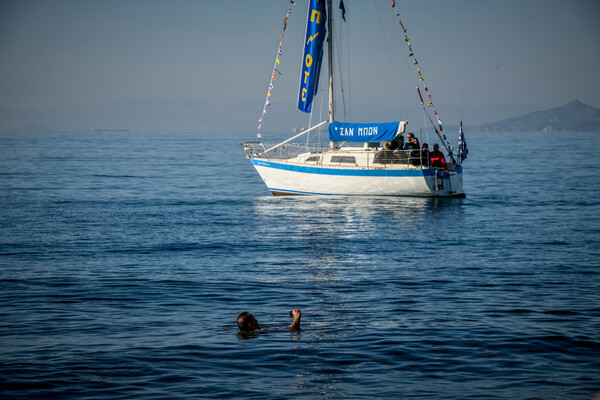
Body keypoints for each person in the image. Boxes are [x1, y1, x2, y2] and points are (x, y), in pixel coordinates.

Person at [237, 309, 301, 333]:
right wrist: (297, 317)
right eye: (254, 320)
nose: (256, 320)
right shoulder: (258, 331)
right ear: (251, 325)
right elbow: (292, 328)